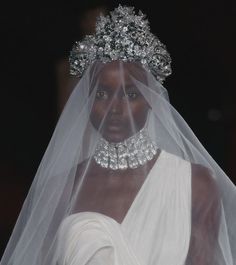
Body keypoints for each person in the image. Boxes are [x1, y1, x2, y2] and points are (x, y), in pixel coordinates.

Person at [1, 5, 235, 265]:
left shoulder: (194, 184)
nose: (114, 108)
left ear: (151, 101)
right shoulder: (60, 189)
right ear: (86, 100)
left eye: (131, 94)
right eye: (101, 93)